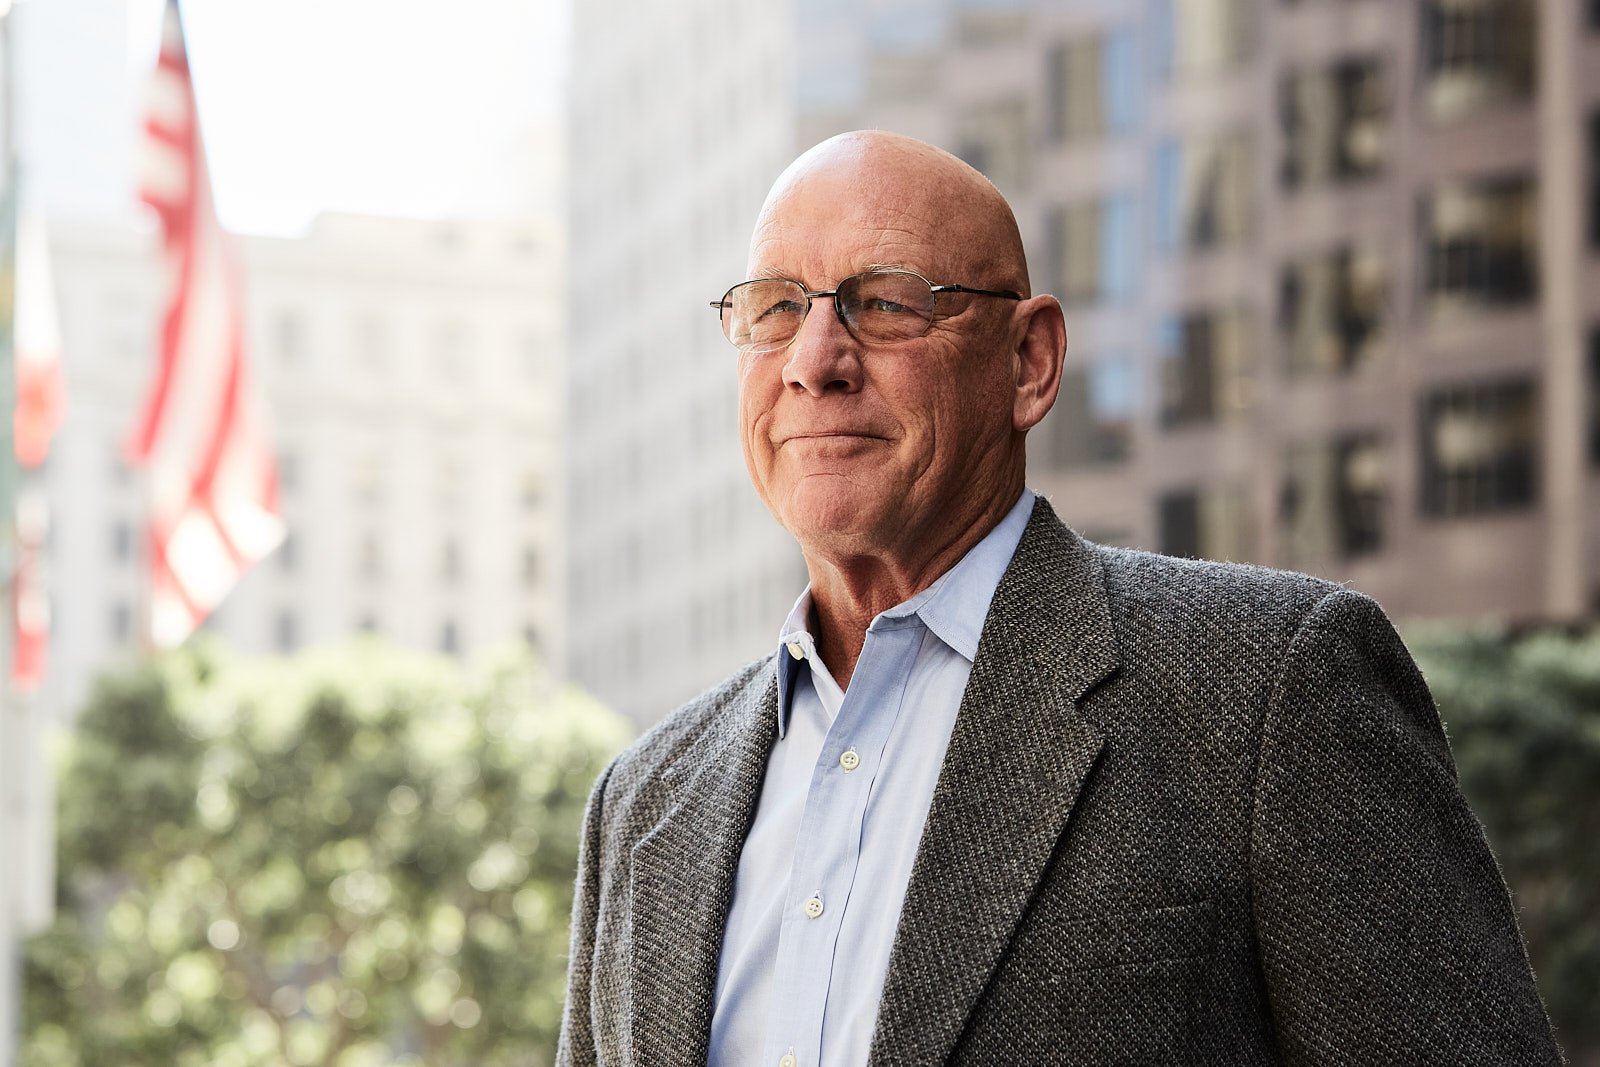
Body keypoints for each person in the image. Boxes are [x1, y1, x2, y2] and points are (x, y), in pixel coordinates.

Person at [556, 131, 1561, 1066]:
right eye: (775, 307)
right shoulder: (642, 802)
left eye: (888, 300)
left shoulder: (1269, 688)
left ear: (1028, 363)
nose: (815, 360)